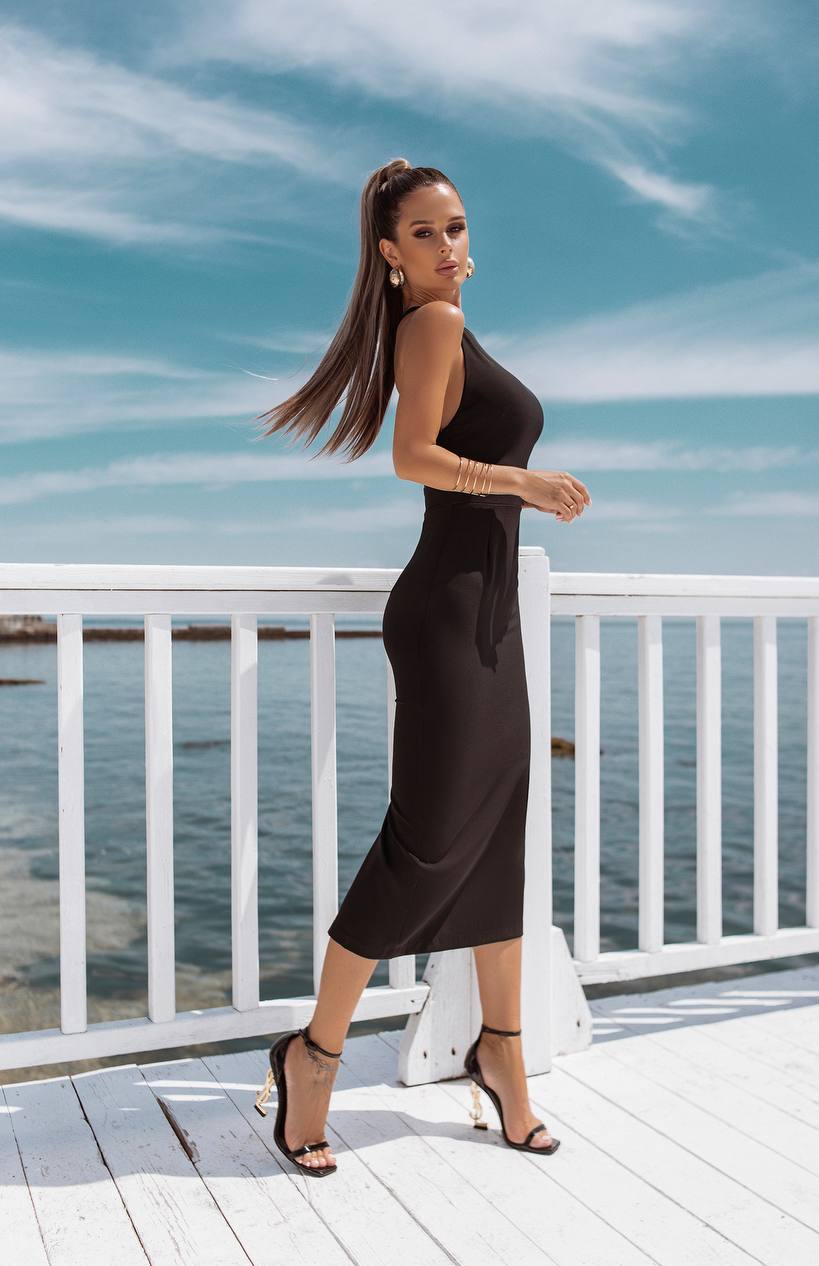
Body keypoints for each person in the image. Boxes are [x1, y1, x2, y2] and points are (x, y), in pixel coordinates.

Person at [251, 159, 591, 1176]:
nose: (450, 247)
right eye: (427, 232)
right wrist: (520, 480)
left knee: (495, 842)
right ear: (390, 253)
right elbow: (415, 455)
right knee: (426, 844)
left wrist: (515, 491)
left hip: (487, 616)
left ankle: (504, 1058)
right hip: (447, 615)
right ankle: (312, 1056)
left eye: (457, 227)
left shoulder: (452, 324)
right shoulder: (431, 326)